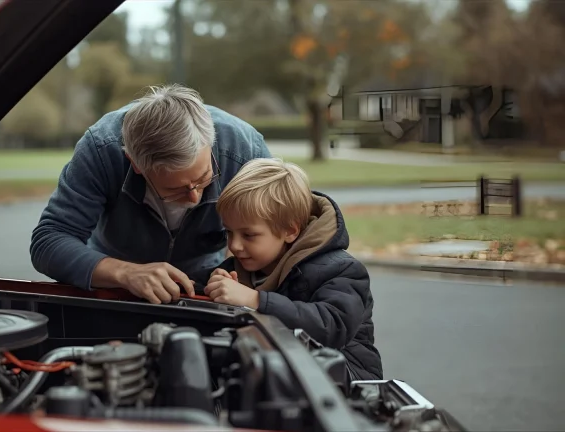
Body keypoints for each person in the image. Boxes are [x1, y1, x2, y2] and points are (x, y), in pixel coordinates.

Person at [30, 84, 271, 305]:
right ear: (135, 164)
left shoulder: (245, 150)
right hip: (117, 286)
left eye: (204, 178)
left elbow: (284, 231)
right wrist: (125, 273)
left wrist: (236, 271)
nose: (194, 198)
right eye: (174, 190)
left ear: (211, 143)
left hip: (206, 283)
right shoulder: (102, 149)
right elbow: (49, 241)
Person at [203, 158, 383, 380]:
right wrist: (212, 289)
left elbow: (331, 327)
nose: (234, 245)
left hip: (346, 379)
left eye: (248, 235)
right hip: (273, 370)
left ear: (290, 231)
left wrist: (256, 301)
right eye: (229, 232)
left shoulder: (343, 270)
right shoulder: (238, 267)